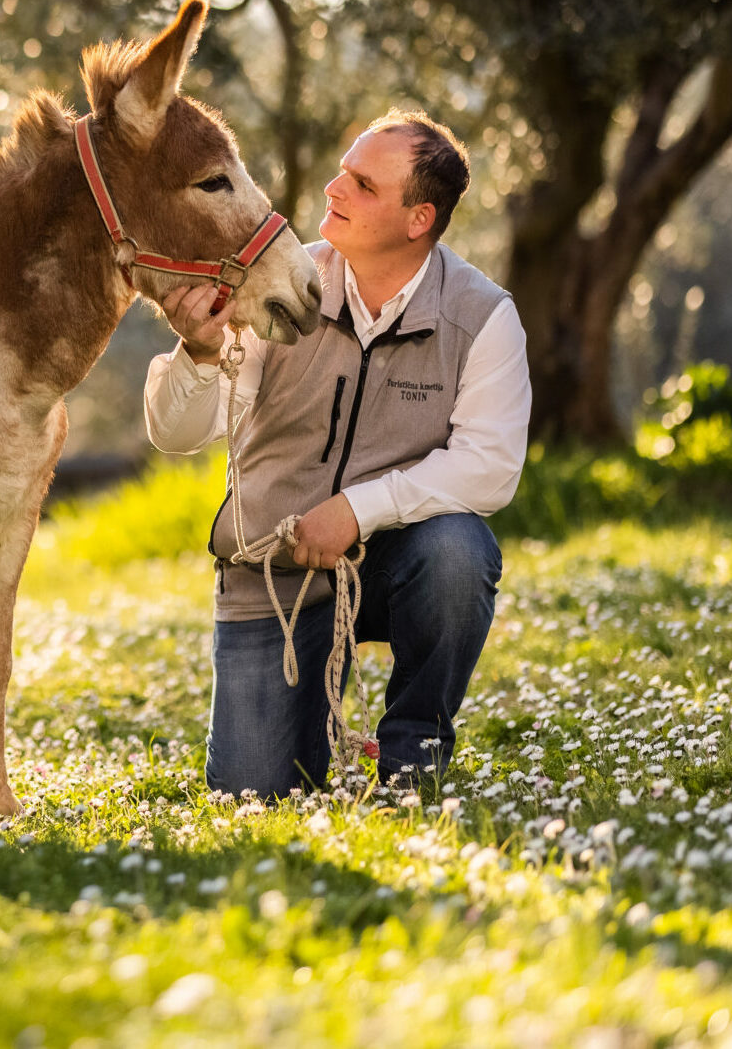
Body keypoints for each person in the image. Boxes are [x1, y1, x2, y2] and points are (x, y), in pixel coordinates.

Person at [143, 110, 530, 797]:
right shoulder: (279, 286)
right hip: (274, 575)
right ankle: (315, 733)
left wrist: (356, 510)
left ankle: (412, 761)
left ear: (418, 220)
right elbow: (177, 434)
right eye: (341, 171)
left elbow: (490, 467)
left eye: (362, 184)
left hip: (395, 560)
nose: (332, 189)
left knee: (458, 552)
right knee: (253, 795)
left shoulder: (484, 316)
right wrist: (199, 352)